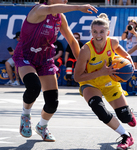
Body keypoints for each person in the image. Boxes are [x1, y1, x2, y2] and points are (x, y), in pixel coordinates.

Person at [12, 0, 97, 142]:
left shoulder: (60, 17)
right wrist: (78, 7)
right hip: (26, 56)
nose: (65, 1)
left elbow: (72, 40)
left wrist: (82, 65)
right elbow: (51, 8)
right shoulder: (38, 10)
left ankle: (42, 126)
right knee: (34, 87)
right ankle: (26, 115)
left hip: (45, 59)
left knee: (52, 102)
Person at [74, 13, 136, 150]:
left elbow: (123, 52)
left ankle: (128, 114)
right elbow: (77, 77)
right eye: (95, 31)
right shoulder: (86, 50)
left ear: (107, 32)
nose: (98, 35)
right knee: (99, 109)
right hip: (90, 83)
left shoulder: (112, 42)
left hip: (110, 81)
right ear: (91, 32)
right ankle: (126, 136)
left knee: (124, 117)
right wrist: (100, 72)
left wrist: (129, 60)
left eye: (102, 32)